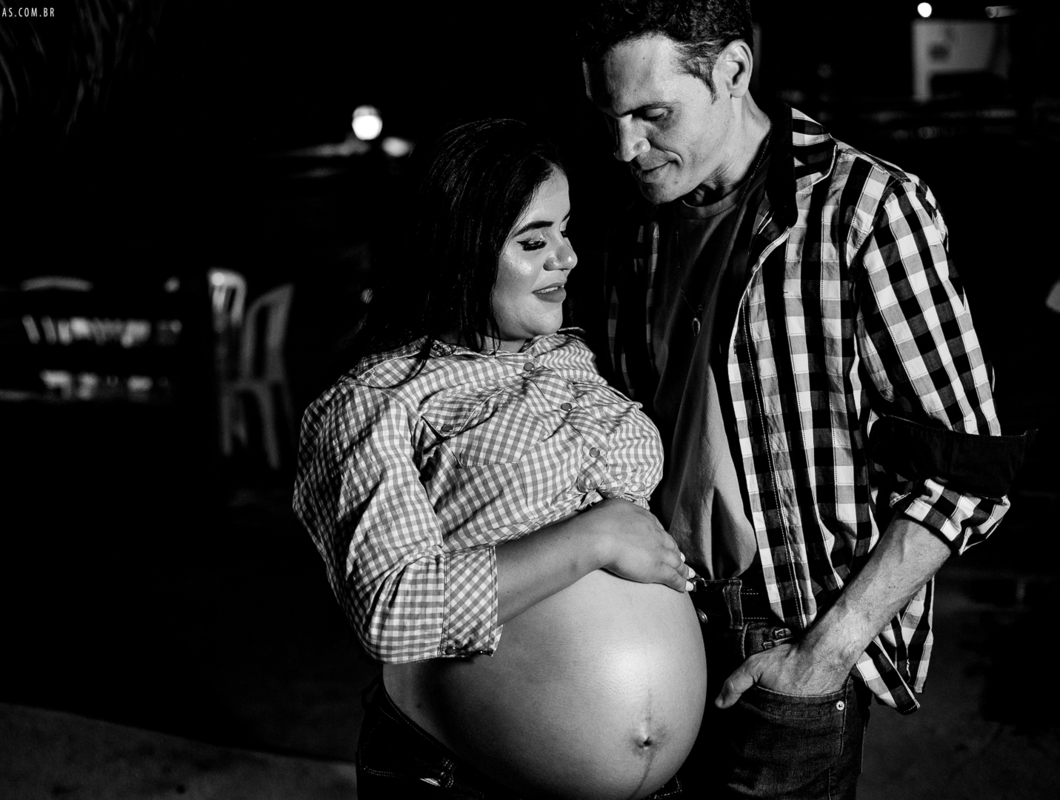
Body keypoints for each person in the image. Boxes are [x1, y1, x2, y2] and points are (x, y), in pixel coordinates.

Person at [574, 1, 1036, 798]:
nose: (626, 148)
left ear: (734, 71)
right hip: (649, 619)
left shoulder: (866, 209)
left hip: (787, 624)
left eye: (653, 114)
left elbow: (971, 469)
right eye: (609, 119)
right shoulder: (631, 231)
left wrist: (828, 649)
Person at [293, 119, 708, 799]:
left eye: (565, 230)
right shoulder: (379, 399)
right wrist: (593, 539)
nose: (567, 257)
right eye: (534, 241)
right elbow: (395, 609)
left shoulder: (571, 361)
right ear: (459, 253)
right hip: (470, 781)